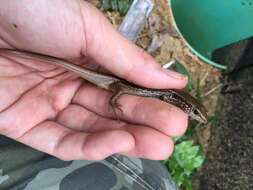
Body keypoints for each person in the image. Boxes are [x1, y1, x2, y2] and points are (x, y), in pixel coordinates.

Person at [0, 0, 188, 189]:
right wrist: (113, 103)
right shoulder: (168, 95)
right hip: (116, 85)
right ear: (187, 106)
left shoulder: (171, 97)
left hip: (113, 84)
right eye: (194, 113)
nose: (194, 115)